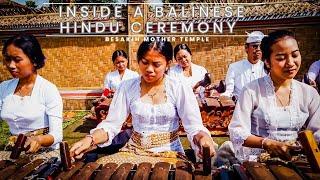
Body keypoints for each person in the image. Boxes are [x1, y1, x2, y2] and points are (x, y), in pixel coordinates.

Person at [70, 38, 217, 165]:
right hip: (133, 151)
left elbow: (194, 127)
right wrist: (90, 139)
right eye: (144, 62)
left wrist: (204, 139)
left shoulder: (179, 87)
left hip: (169, 153)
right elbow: (111, 125)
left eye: (156, 64)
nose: (149, 69)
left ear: (168, 63)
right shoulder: (127, 86)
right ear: (138, 60)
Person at [228, 30, 320, 162]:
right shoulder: (251, 91)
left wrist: (299, 147)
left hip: (297, 160)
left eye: (295, 55)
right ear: (267, 62)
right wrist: (267, 143)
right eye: (281, 58)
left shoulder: (309, 93)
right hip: (259, 161)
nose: (290, 62)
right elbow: (237, 132)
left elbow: (317, 132)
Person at [0, 34, 63, 153]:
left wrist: (39, 140)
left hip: (44, 153)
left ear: (34, 60)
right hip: (13, 151)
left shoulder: (48, 90)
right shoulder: (4, 88)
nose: (11, 65)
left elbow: (57, 134)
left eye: (17, 60)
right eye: (8, 59)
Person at [222, 31, 267, 99]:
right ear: (246, 48)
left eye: (260, 46)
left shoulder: (267, 68)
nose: (258, 49)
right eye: (254, 46)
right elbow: (229, 91)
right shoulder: (234, 67)